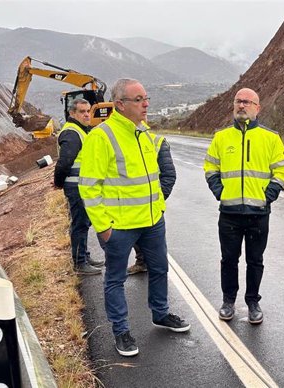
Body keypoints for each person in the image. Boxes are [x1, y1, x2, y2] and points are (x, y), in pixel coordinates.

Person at [79, 78, 190, 357]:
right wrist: (104, 228)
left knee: (160, 270)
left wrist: (158, 210)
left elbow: (153, 178)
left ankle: (161, 313)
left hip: (152, 221)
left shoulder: (144, 134)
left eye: (146, 98)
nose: (146, 104)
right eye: (139, 99)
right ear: (120, 104)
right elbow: (89, 186)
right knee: (115, 279)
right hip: (120, 226)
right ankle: (121, 331)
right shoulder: (102, 136)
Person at [203, 88, 284, 324]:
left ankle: (253, 301)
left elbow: (283, 169)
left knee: (255, 260)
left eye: (247, 102)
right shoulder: (221, 138)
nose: (242, 106)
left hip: (258, 213)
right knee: (228, 260)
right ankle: (228, 300)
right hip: (229, 213)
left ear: (257, 108)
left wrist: (269, 194)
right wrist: (219, 191)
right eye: (238, 101)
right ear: (233, 105)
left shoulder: (270, 138)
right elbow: (211, 167)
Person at [53, 98, 104, 275]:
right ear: (72, 114)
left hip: (82, 186)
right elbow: (65, 162)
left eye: (88, 111)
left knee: (84, 223)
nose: (87, 114)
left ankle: (84, 256)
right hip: (76, 187)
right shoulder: (72, 133)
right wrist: (58, 183)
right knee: (79, 224)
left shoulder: (81, 131)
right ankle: (79, 263)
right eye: (82, 111)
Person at [127, 130, 176, 275]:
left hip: (152, 205)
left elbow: (169, 175)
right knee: (137, 238)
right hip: (132, 204)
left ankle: (152, 266)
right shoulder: (124, 141)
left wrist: (157, 199)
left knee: (155, 249)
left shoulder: (157, 142)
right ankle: (142, 262)